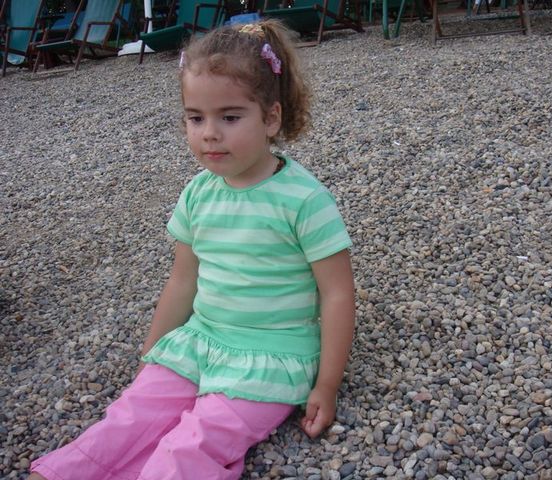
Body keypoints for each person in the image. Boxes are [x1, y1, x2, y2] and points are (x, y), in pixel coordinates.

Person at [29, 19, 355, 480]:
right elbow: (183, 281)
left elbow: (337, 294)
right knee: (129, 417)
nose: (209, 134)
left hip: (270, 356)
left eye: (230, 117)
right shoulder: (198, 194)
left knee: (195, 442)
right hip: (200, 341)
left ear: (271, 118)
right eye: (195, 118)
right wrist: (153, 353)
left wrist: (327, 383)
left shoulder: (304, 200)